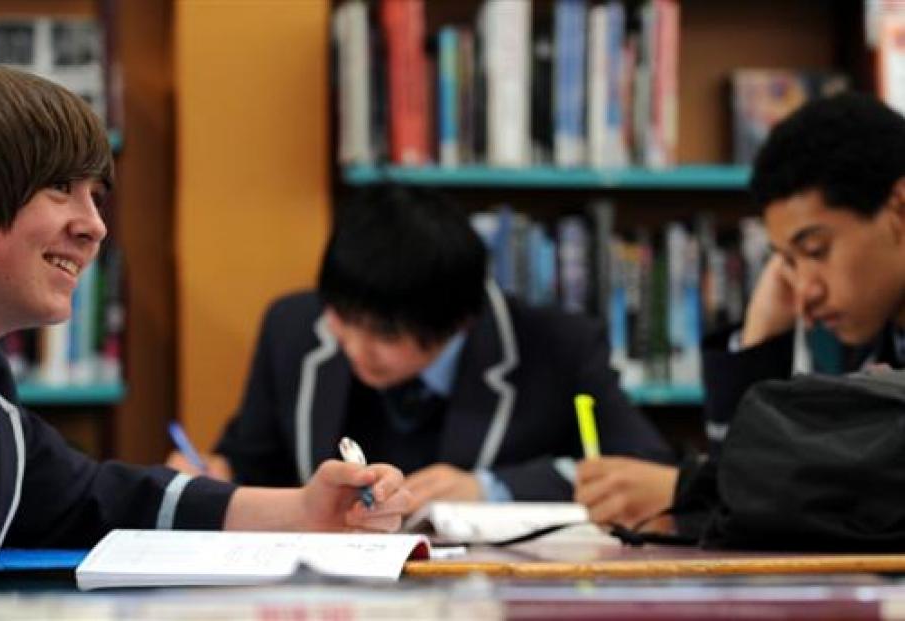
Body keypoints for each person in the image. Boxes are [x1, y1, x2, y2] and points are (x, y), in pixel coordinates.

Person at [0, 63, 409, 593]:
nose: (95, 226)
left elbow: (95, 498)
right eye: (59, 188)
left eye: (95, 196)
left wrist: (305, 509)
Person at [168, 184, 675, 511]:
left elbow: (644, 465)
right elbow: (254, 457)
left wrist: (490, 490)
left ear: (459, 323)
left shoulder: (556, 345)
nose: (354, 347)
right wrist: (214, 473)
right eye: (343, 320)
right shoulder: (293, 326)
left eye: (385, 336)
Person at [573, 92, 905, 529]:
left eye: (815, 250)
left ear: (898, 207)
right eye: (786, 261)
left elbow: (864, 499)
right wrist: (758, 340)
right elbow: (759, 489)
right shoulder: (863, 336)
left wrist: (689, 493)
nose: (805, 289)